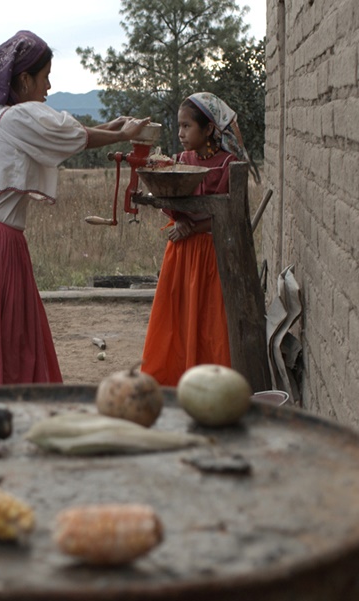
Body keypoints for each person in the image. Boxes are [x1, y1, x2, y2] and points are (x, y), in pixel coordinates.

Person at [0, 30, 151, 386]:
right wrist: (120, 134)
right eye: (44, 77)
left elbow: (64, 135)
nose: (49, 86)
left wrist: (107, 129)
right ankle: (1, 397)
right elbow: (68, 135)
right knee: (2, 330)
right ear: (24, 80)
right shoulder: (15, 117)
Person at [140, 92, 252, 387]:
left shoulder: (229, 164)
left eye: (187, 126)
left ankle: (210, 384)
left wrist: (194, 226)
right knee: (176, 319)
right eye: (179, 126)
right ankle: (172, 380)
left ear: (209, 129)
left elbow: (229, 212)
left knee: (208, 321)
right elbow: (168, 198)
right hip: (180, 253)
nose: (180, 133)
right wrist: (179, 220)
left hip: (211, 255)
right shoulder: (177, 161)